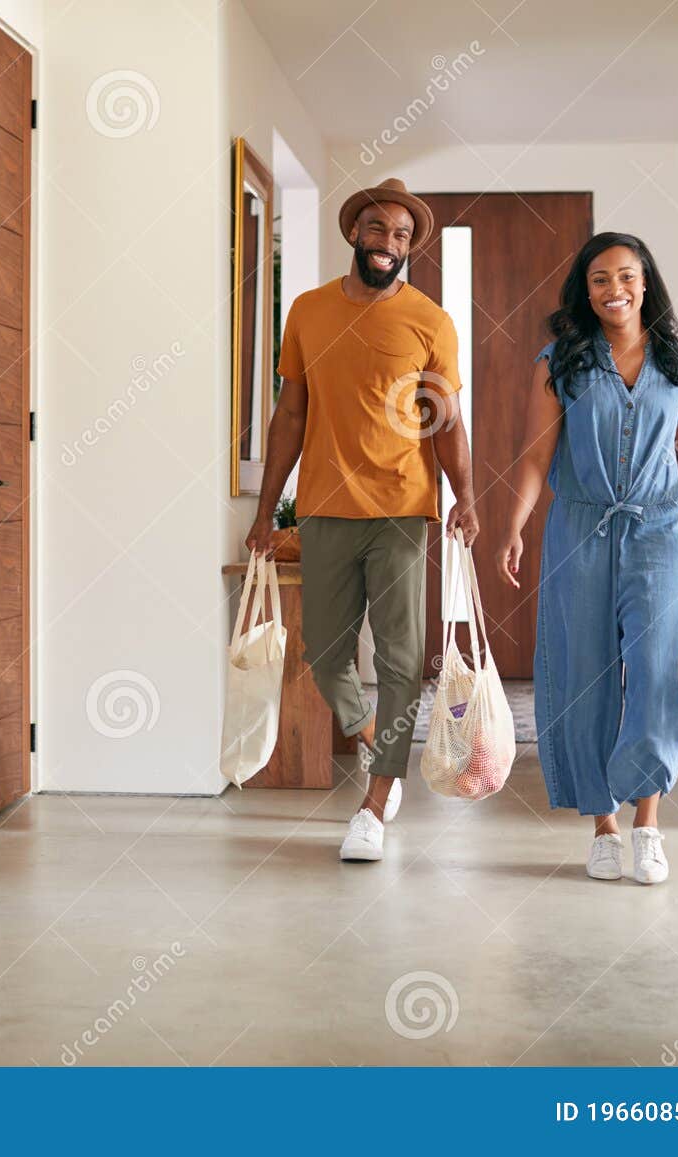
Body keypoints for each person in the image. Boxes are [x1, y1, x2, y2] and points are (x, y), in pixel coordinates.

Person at [497, 232, 678, 885]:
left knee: (655, 670)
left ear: (646, 283)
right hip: (579, 528)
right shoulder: (561, 363)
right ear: (585, 289)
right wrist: (515, 526)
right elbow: (534, 456)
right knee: (584, 672)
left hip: (659, 530)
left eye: (626, 277)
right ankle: (603, 825)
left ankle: (649, 825)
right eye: (599, 279)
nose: (614, 290)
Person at [246, 178, 478, 863]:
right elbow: (290, 415)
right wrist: (266, 510)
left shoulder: (430, 320)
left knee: (403, 658)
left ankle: (376, 799)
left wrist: (465, 495)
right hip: (322, 507)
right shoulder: (309, 312)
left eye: (403, 236)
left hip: (404, 508)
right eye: (378, 231)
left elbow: (447, 420)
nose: (389, 244)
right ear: (355, 234)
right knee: (322, 650)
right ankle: (378, 735)